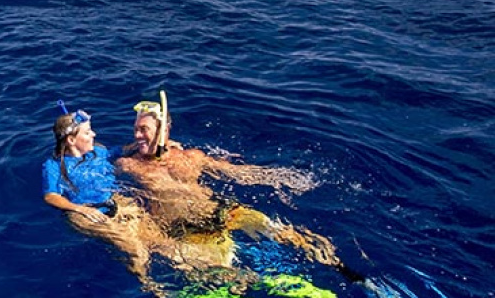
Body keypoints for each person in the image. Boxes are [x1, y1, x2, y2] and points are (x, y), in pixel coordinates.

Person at [115, 94, 362, 283]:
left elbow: (235, 172)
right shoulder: (129, 164)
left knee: (288, 234)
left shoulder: (191, 156)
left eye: (143, 129)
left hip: (223, 211)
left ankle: (343, 270)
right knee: (231, 280)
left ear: (164, 130)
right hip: (188, 231)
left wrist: (282, 177)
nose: (137, 135)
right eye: (135, 129)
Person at [42, 105, 175, 286]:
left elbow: (126, 149)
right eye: (88, 133)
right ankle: (151, 287)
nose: (94, 135)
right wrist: (78, 209)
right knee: (135, 248)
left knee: (159, 239)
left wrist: (164, 144)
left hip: (115, 202)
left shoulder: (99, 152)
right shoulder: (53, 165)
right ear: (72, 140)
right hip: (84, 213)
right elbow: (51, 196)